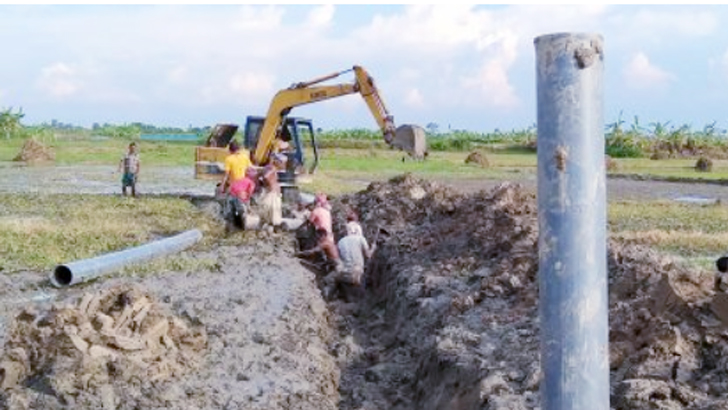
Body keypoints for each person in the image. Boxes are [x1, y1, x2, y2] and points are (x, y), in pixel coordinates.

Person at [330, 222, 376, 302]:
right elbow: (368, 255)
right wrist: (373, 248)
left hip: (343, 275)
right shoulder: (360, 239)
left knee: (347, 293)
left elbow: (337, 260)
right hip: (356, 275)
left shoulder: (340, 242)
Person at [260, 153, 286, 228]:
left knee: (272, 214)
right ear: (278, 162)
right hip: (271, 194)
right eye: (283, 163)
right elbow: (265, 177)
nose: (284, 166)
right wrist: (271, 186)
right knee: (272, 213)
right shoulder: (271, 168)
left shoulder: (270, 168)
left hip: (273, 193)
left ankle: (271, 226)